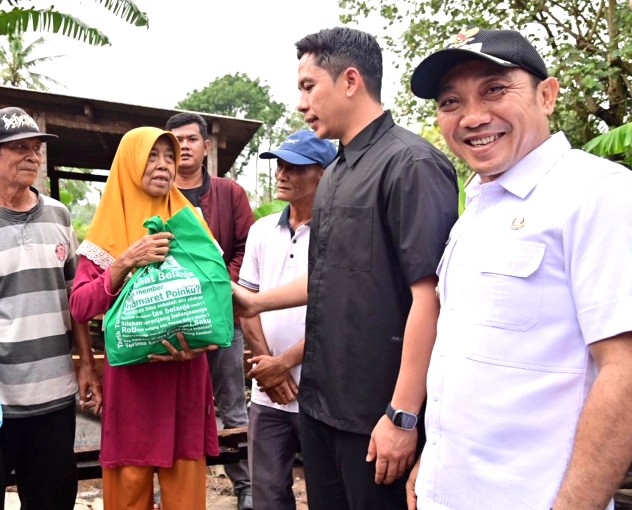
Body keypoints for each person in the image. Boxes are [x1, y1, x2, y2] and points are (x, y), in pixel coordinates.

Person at [405, 27, 632, 510]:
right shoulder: (477, 208)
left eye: (494, 89)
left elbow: (625, 370)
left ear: (546, 96)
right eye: (450, 102)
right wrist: (434, 461)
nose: (472, 117)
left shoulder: (598, 193)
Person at [234, 27, 459, 509]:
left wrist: (402, 415)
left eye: (308, 86)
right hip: (321, 407)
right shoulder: (335, 173)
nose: (301, 104)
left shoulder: (411, 164)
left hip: (375, 416)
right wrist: (254, 302)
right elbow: (326, 278)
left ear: (351, 81)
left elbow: (431, 298)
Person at [0, 106, 100, 510]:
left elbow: (74, 300)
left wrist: (86, 364)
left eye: (36, 148)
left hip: (54, 395)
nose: (32, 156)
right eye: (19, 148)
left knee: (53, 500)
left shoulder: (59, 216)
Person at [70, 126, 220, 510]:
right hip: (132, 387)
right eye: (152, 156)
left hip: (185, 376)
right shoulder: (106, 233)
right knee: (129, 489)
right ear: (129, 163)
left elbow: (217, 299)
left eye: (169, 156)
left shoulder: (191, 224)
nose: (163, 165)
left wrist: (201, 345)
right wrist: (125, 261)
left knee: (186, 496)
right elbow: (80, 306)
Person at [239, 130, 336, 510]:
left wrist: (285, 363)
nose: (281, 173)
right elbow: (247, 305)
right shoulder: (262, 230)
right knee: (268, 493)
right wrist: (270, 369)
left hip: (320, 391)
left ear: (323, 173)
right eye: (280, 165)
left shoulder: (338, 233)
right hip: (268, 394)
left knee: (327, 493)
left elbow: (339, 315)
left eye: (294, 167)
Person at [165, 112, 255, 510]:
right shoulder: (157, 193)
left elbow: (246, 250)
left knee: (232, 403)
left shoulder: (229, 193)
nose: (183, 146)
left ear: (205, 146)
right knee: (174, 404)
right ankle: (173, 488)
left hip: (222, 320)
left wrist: (215, 290)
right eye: (175, 140)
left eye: (190, 139)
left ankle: (246, 485)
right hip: (171, 321)